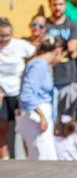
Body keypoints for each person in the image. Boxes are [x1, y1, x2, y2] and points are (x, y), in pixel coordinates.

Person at [16, 36, 64, 160]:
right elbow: (27, 95)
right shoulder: (38, 66)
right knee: (45, 159)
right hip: (36, 117)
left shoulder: (37, 64)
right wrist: (42, 116)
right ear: (57, 51)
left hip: (36, 114)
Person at [0, 17, 36, 159]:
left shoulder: (20, 45)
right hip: (2, 93)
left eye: (7, 35)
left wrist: (27, 71)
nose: (3, 39)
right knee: (2, 129)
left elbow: (37, 54)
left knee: (23, 129)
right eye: (0, 36)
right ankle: (5, 160)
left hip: (18, 92)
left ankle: (29, 160)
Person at [44, 0, 77, 95]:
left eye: (61, 4)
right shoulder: (44, 25)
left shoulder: (73, 25)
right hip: (48, 77)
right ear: (50, 5)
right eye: (54, 4)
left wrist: (52, 51)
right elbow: (41, 47)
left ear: (65, 5)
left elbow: (72, 47)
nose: (58, 8)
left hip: (68, 76)